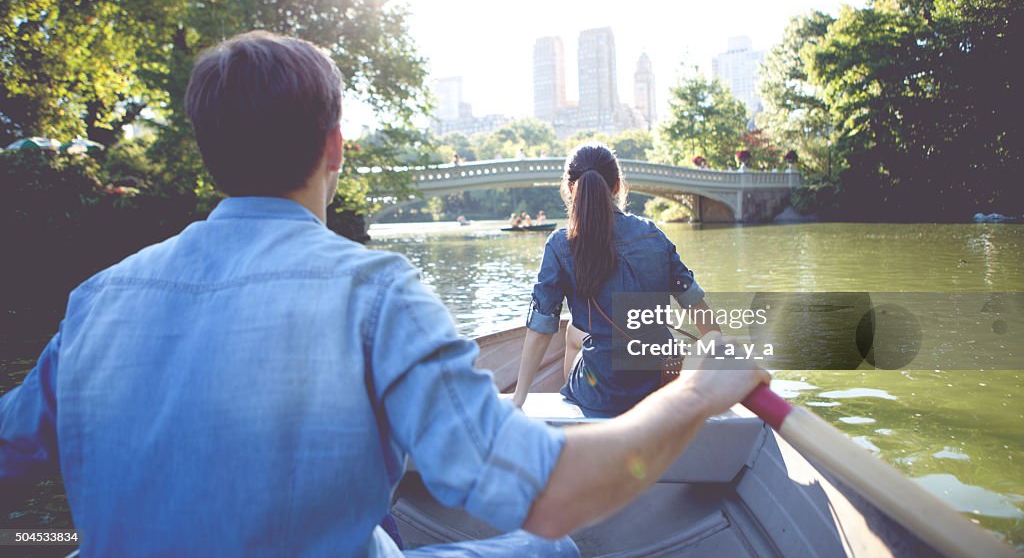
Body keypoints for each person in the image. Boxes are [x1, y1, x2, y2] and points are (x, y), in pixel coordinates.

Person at [0, 32, 767, 556]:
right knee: (549, 545)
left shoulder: (95, 300)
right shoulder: (376, 295)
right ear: (335, 148)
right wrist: (697, 392)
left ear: (209, 154)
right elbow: (552, 496)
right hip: (613, 397)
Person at [513, 143, 724, 417]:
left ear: (569, 187)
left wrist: (519, 397)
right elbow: (696, 306)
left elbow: (542, 327)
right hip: (658, 386)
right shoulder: (652, 234)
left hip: (603, 394)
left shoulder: (560, 245)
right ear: (617, 186)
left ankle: (575, 404)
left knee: (572, 334)